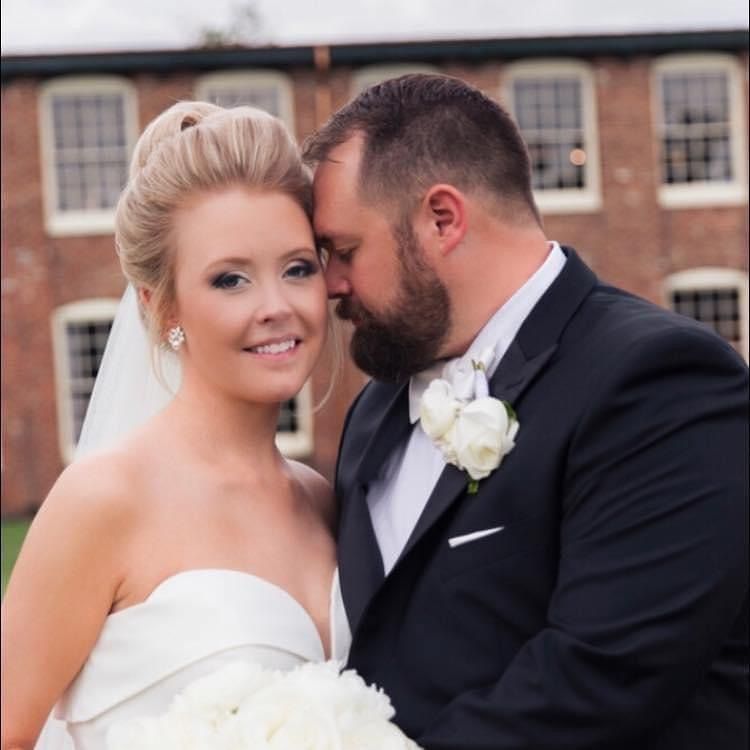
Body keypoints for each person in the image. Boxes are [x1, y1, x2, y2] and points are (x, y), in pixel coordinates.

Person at [303, 73, 749, 749]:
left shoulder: (660, 383)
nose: (330, 283)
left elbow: (599, 681)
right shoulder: (376, 409)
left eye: (345, 250)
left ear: (442, 219)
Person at [1, 101, 350, 749]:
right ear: (160, 308)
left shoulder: (325, 501)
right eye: (230, 280)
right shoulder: (104, 501)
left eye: (298, 268)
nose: (276, 307)